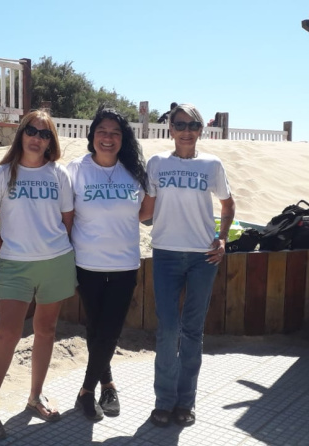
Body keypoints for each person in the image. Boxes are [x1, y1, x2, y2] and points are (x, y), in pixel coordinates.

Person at [0, 110, 76, 439]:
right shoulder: (3, 174)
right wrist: (5, 247)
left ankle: (35, 396)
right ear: (21, 133)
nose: (37, 138)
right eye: (32, 131)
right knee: (8, 333)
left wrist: (56, 246)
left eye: (45, 133)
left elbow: (68, 219)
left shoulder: (59, 173)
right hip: (15, 265)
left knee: (46, 329)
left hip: (56, 262)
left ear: (51, 140)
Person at [141, 103, 236, 428]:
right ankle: (164, 402)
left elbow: (227, 203)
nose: (185, 130)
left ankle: (186, 402)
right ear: (170, 128)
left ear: (200, 130)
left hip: (202, 258)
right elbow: (146, 208)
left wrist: (222, 238)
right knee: (168, 331)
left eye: (192, 125)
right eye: (179, 124)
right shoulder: (156, 163)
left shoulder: (212, 165)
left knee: (192, 331)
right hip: (166, 254)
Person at [66, 106, 149, 421]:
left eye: (115, 132)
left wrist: (120, 221)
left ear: (122, 138)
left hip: (125, 263)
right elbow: (67, 216)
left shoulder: (133, 171)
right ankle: (108, 384)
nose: (108, 138)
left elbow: (145, 210)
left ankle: (86, 391)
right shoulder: (77, 169)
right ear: (92, 135)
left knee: (111, 330)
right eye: (102, 131)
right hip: (87, 263)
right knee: (96, 327)